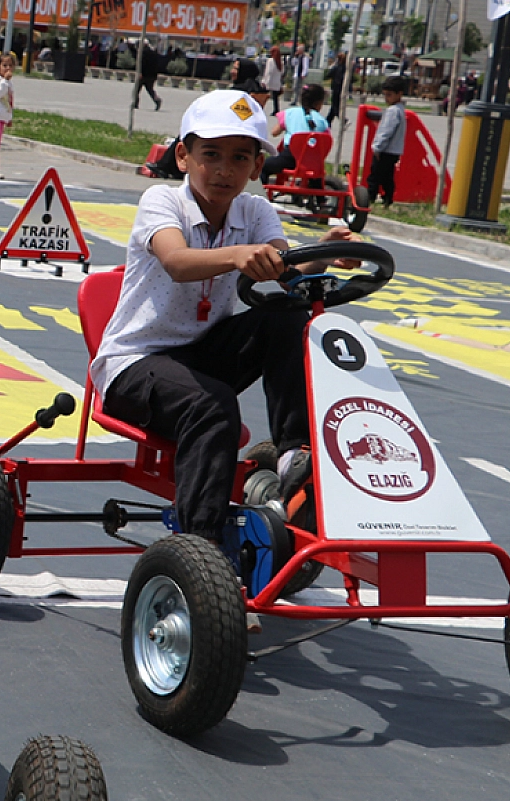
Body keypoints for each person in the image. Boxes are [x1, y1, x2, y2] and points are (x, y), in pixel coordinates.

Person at [89, 89, 359, 551]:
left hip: (203, 357)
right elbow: (175, 260)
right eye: (210, 154)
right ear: (183, 156)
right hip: (135, 365)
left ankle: (294, 451)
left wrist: (327, 256)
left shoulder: (254, 210)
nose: (223, 170)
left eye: (239, 158)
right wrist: (236, 255)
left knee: (288, 313)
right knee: (213, 407)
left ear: (256, 166)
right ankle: (201, 553)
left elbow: (284, 267)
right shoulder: (162, 202)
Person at [260, 82, 328, 184]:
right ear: (319, 103)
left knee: (263, 166)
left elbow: (274, 132)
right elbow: (327, 140)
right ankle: (320, 198)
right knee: (315, 169)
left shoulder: (290, 113)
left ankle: (261, 194)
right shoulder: (322, 121)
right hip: (312, 161)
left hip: (290, 158)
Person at [367, 75, 407, 206]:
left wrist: (377, 147)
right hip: (394, 151)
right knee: (387, 176)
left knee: (375, 175)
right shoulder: (400, 110)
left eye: (389, 95)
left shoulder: (392, 111)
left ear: (399, 94)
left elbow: (386, 131)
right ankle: (387, 198)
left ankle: (370, 198)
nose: (386, 98)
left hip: (385, 150)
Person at [133, 39, 162, 110]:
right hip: (152, 75)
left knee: (136, 89)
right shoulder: (154, 53)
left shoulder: (143, 53)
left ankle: (136, 103)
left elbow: (142, 64)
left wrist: (140, 73)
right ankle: (156, 100)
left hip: (144, 75)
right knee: (150, 89)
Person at [262, 46, 285, 112]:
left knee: (263, 95)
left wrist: (264, 81)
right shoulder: (281, 62)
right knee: (275, 97)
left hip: (269, 81)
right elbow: (282, 72)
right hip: (277, 82)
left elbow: (268, 72)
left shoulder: (270, 61)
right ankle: (276, 109)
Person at [325, 51, 346, 124]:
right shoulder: (346, 68)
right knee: (334, 105)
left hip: (335, 88)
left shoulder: (336, 67)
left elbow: (328, 75)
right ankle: (328, 120)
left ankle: (344, 120)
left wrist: (332, 66)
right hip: (342, 88)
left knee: (335, 106)